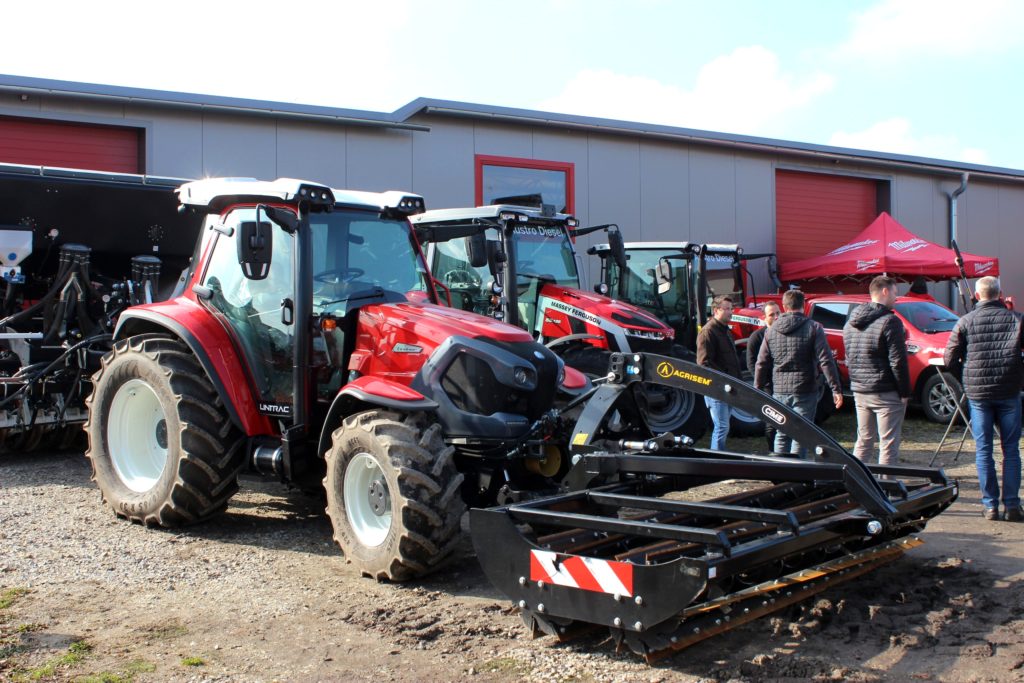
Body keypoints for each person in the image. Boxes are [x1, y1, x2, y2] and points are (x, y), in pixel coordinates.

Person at [943, 276, 1023, 522]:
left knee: (984, 450)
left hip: (979, 393)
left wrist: (966, 377)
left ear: (978, 296)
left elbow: (949, 359)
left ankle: (990, 506)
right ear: (1000, 294)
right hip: (1009, 391)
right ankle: (1011, 505)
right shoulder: (1016, 319)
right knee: (1011, 450)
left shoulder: (965, 321)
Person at [755, 290, 843, 457]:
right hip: (805, 388)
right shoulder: (814, 328)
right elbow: (826, 360)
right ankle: (799, 475)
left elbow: (761, 363)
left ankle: (781, 473)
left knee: (781, 433)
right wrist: (835, 388)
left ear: (784, 306)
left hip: (780, 389)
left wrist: (757, 389)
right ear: (803, 305)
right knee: (801, 435)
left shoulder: (771, 331)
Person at [843, 275, 911, 467]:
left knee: (863, 441)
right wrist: (905, 391)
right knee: (888, 445)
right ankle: (886, 490)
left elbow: (850, 356)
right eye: (895, 293)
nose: (896, 298)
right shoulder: (891, 321)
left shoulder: (850, 323)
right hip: (885, 390)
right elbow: (898, 361)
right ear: (885, 291)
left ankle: (855, 486)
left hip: (860, 389)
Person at [697, 295, 740, 450]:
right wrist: (722, 379)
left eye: (731, 308)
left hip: (728, 387)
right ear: (716, 310)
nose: (730, 312)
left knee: (723, 427)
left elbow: (732, 359)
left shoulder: (725, 330)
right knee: (721, 427)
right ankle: (716, 460)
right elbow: (703, 363)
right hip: (716, 389)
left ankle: (719, 457)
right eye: (727, 309)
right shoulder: (708, 332)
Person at [747, 301, 781, 450]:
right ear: (764, 318)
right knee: (771, 422)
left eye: (778, 313)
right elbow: (751, 362)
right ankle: (773, 452)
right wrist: (761, 382)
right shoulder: (757, 337)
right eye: (772, 314)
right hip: (768, 386)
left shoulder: (785, 334)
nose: (776, 317)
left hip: (783, 385)